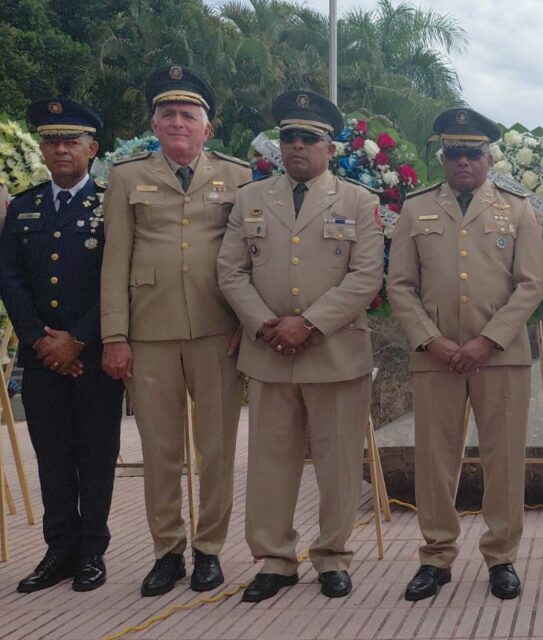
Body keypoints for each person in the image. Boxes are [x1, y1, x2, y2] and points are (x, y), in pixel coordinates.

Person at [216, 90, 383, 602]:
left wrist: (308, 323)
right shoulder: (251, 197)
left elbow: (366, 277)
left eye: (309, 138)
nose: (296, 146)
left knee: (336, 464)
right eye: (288, 136)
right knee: (270, 463)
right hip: (269, 352)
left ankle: (332, 557)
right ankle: (274, 560)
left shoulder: (360, 201)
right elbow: (230, 270)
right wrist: (267, 324)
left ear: (329, 147)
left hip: (333, 353)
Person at [99, 65, 250, 597]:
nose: (178, 122)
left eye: (189, 115)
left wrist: (248, 326)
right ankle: (167, 551)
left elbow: (252, 259)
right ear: (155, 125)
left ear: (207, 128)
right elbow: (114, 261)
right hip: (150, 332)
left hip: (218, 331)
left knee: (216, 447)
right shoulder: (124, 176)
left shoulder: (239, 177)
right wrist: (114, 336)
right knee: (160, 450)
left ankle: (209, 549)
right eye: (168, 114)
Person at [389, 107, 543, 602]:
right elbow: (400, 285)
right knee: (435, 460)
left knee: (504, 459)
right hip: (434, 356)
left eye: (472, 153)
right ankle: (436, 557)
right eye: (454, 153)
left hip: (498, 355)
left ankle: (502, 557)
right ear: (442, 156)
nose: (463, 162)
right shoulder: (415, 209)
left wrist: (487, 340)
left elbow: (530, 285)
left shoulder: (518, 209)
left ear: (488, 157)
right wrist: (430, 339)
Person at [0, 99, 124, 593]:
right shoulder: (24, 205)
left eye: (71, 140)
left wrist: (77, 339)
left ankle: (92, 550)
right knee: (50, 453)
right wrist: (38, 339)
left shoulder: (110, 205)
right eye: (51, 140)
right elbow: (8, 276)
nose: (60, 149)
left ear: (92, 149)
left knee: (96, 452)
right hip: (40, 353)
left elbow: (120, 279)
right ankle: (59, 550)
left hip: (93, 353)